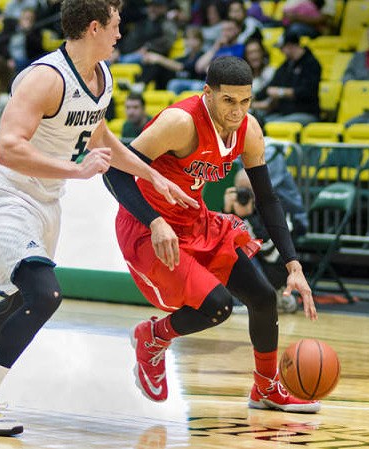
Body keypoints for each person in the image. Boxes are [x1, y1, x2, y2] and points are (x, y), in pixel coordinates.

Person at [0, 0, 198, 437]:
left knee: (19, 298)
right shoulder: (45, 78)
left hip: (46, 200)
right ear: (94, 26)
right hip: (6, 194)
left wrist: (153, 175)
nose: (121, 34)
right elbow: (9, 148)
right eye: (115, 26)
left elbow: (98, 135)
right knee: (44, 295)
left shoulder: (103, 77)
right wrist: (76, 170)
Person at [103, 56, 320, 412]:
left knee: (264, 297)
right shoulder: (181, 122)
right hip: (146, 224)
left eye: (245, 101)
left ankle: (265, 389)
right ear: (208, 93)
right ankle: (151, 338)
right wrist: (155, 221)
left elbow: (267, 198)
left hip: (195, 222)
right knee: (217, 307)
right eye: (229, 101)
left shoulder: (248, 130)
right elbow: (115, 171)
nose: (238, 111)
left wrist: (293, 263)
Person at [223, 168, 299, 314]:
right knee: (226, 248)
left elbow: (269, 251)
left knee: (243, 251)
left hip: (273, 270)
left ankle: (259, 300)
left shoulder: (275, 207)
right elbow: (224, 243)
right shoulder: (236, 208)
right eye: (241, 190)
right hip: (257, 270)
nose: (245, 195)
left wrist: (248, 218)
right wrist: (228, 212)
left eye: (250, 190)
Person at [251, 29, 321, 126]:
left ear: (290, 46)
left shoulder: (311, 63)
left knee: (270, 125)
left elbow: (307, 92)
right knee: (258, 121)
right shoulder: (287, 65)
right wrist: (252, 98)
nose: (281, 52)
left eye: (282, 48)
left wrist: (281, 92)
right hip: (284, 113)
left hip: (306, 113)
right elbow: (271, 85)